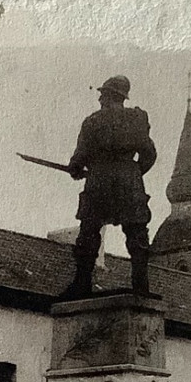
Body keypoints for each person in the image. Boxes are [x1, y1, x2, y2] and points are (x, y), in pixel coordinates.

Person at [63, 75, 159, 299]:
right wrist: (134, 173)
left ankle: (81, 284)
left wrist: (76, 169)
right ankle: (141, 286)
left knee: (89, 233)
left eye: (102, 94)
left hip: (99, 182)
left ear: (108, 96)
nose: (99, 99)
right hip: (129, 182)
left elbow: (79, 158)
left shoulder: (92, 122)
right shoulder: (136, 119)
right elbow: (149, 154)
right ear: (123, 97)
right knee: (137, 235)